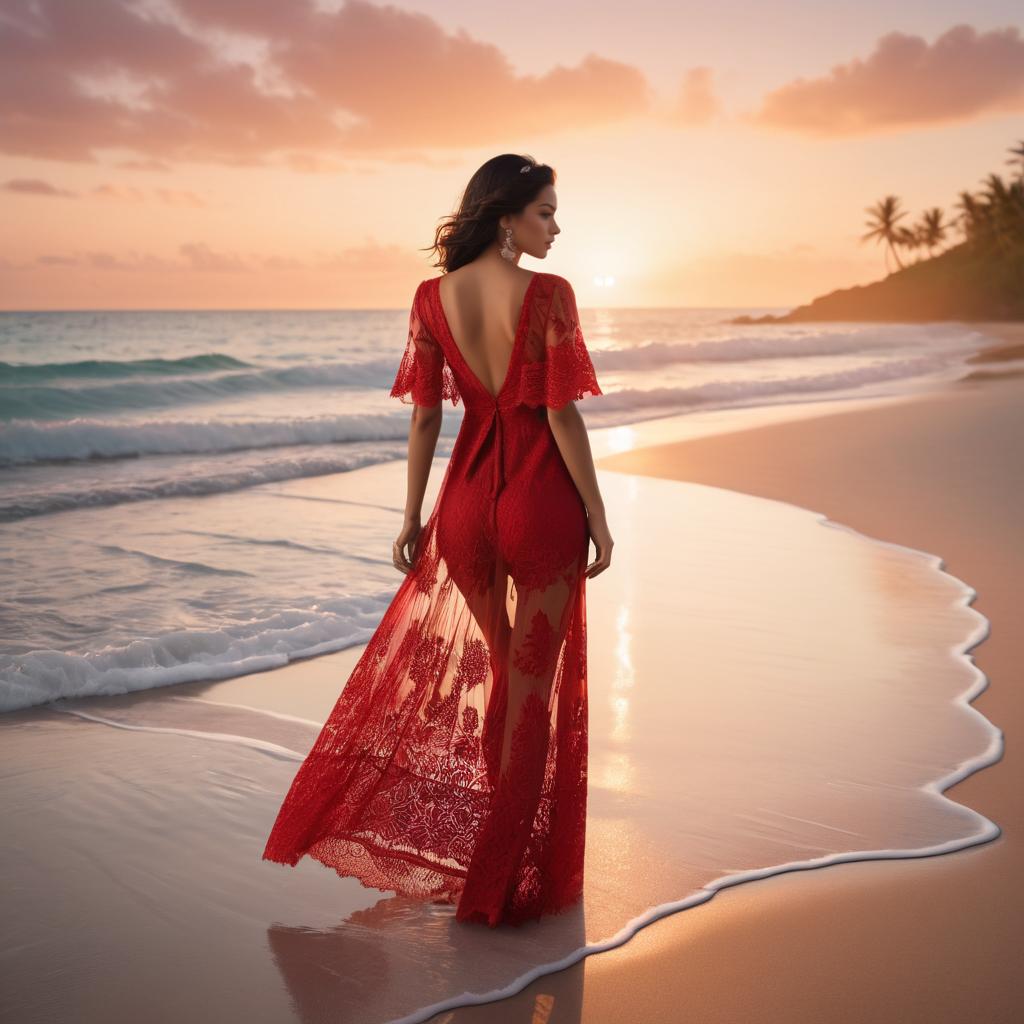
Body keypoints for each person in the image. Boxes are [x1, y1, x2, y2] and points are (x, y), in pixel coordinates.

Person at [262, 154, 613, 927]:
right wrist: (598, 512)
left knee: (504, 671)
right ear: (506, 216)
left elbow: (425, 416)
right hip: (538, 501)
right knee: (532, 690)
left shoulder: (430, 298)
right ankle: (501, 876)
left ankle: (499, 850)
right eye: (547, 212)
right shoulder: (548, 294)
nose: (556, 227)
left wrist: (411, 515)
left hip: (462, 509)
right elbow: (560, 415)